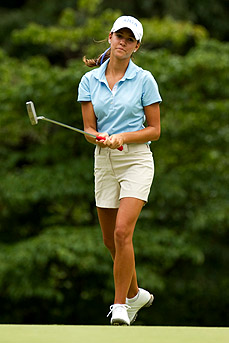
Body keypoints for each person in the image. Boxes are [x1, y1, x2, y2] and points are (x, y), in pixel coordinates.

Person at [77, 15, 162, 325]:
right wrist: (97, 137)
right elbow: (88, 128)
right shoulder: (89, 81)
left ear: (136, 46)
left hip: (137, 159)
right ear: (110, 37)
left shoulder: (144, 79)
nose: (123, 42)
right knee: (110, 241)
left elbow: (154, 130)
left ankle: (120, 307)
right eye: (119, 36)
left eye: (130, 38)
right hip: (104, 161)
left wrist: (123, 137)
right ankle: (135, 293)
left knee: (122, 232)